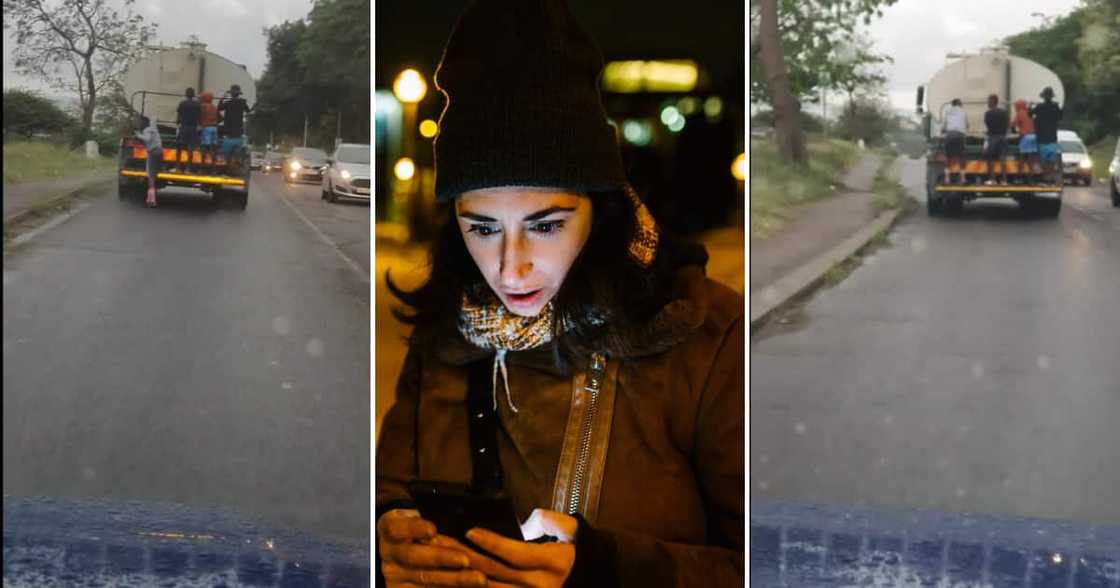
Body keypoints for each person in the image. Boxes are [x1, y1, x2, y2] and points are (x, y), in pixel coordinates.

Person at [376, 0, 744, 586]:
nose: (510, 267)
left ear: (600, 211)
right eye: (482, 226)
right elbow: (392, 494)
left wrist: (603, 569)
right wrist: (386, 545)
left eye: (547, 225)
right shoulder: (445, 332)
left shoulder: (710, 339)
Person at [1030, 87, 1062, 183]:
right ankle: (1051, 177)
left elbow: (1030, 114)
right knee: (1051, 160)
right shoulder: (1055, 107)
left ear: (1043, 97)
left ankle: (1045, 177)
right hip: (1052, 137)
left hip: (1042, 137)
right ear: (1052, 97)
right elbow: (1060, 117)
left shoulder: (1039, 107)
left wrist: (1030, 106)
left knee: (1043, 159)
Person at [217, 84, 253, 169]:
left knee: (226, 153)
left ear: (231, 94)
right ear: (239, 94)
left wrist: (222, 98)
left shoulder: (228, 103)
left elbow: (219, 108)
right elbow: (248, 111)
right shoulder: (242, 102)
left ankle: (227, 163)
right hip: (238, 132)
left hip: (228, 132)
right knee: (237, 149)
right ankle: (237, 161)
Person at [983, 94, 1010, 186]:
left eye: (988, 101)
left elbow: (988, 125)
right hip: (1003, 137)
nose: (987, 103)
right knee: (1003, 159)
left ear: (992, 102)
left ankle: (993, 179)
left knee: (990, 158)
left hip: (993, 137)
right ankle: (1004, 180)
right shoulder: (1004, 112)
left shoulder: (988, 113)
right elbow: (1007, 124)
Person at [941, 98, 969, 184]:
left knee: (948, 156)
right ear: (959, 104)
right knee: (961, 156)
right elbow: (967, 125)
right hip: (960, 136)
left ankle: (947, 178)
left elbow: (944, 127)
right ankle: (963, 178)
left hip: (950, 135)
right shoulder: (963, 112)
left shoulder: (947, 111)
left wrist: (943, 131)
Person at [1011, 99, 1038, 183]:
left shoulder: (1020, 113)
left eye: (1016, 106)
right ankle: (1031, 178)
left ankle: (1020, 177)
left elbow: (1012, 125)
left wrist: (1014, 131)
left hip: (1025, 137)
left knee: (1022, 158)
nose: (1015, 108)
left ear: (1019, 106)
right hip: (1034, 136)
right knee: (1031, 159)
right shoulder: (1030, 113)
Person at [138, 116, 162, 208]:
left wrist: (138, 135)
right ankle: (150, 198)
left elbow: (147, 139)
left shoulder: (146, 130)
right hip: (159, 150)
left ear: (144, 123)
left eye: (140, 122)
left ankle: (152, 200)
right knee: (154, 173)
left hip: (153, 151)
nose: (139, 124)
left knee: (150, 175)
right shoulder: (153, 128)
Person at [175, 87, 201, 172]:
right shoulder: (197, 104)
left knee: (179, 147)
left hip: (184, 127)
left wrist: (177, 122)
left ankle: (178, 166)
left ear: (186, 94)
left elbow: (179, 116)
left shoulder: (182, 103)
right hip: (193, 128)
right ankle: (188, 167)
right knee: (190, 148)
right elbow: (199, 116)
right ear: (193, 95)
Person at [198, 91, 220, 169]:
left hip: (206, 128)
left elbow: (199, 116)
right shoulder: (214, 107)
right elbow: (219, 118)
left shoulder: (202, 106)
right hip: (215, 128)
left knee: (204, 147)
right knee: (213, 149)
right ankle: (213, 169)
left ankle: (202, 168)